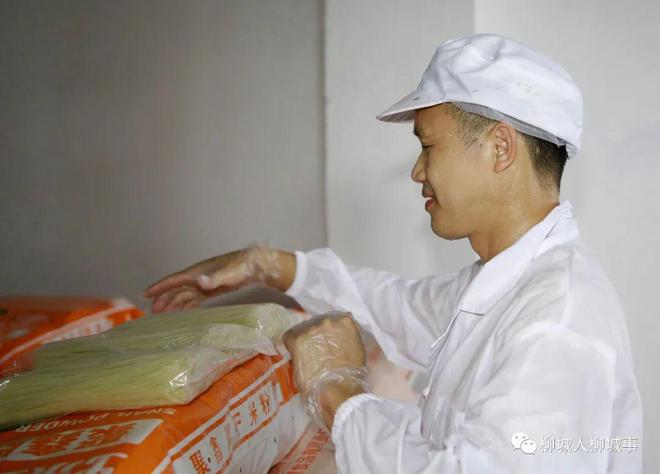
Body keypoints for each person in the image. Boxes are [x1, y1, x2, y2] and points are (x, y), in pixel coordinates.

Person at [143, 33, 642, 473]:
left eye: (429, 146)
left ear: (500, 148)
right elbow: (397, 306)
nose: (417, 172)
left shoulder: (559, 319)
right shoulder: (507, 283)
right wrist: (269, 266)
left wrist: (339, 395)